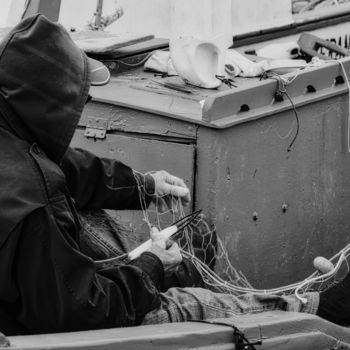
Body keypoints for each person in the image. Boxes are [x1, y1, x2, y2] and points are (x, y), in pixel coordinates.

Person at [0, 14, 347, 336]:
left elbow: (68, 168)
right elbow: (87, 311)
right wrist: (152, 264)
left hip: (42, 292)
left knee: (188, 235)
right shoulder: (32, 204)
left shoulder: (13, 136)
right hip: (50, 329)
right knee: (191, 303)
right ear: (47, 100)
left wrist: (144, 186)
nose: (85, 100)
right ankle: (320, 312)